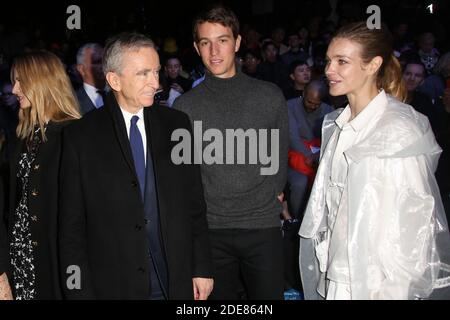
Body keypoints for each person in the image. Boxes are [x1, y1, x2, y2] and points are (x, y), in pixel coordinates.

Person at [299, 22, 450, 300]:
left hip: (376, 283)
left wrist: (394, 291)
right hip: (337, 270)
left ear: (373, 65)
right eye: (329, 61)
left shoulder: (398, 129)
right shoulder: (336, 124)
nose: (329, 70)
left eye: (342, 62)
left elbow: (414, 225)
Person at [58, 32, 213, 300]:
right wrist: (79, 293)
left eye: (156, 71)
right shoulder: (80, 136)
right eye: (144, 74)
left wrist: (201, 267)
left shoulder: (177, 124)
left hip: (174, 277)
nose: (156, 82)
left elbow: (194, 203)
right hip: (114, 284)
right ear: (114, 80)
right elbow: (71, 228)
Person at [173, 6, 288, 300]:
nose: (214, 51)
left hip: (262, 227)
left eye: (222, 40)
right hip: (211, 232)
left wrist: (273, 192)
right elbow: (185, 176)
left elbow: (278, 155)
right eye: (205, 42)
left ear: (237, 43)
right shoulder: (185, 106)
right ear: (196, 48)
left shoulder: (269, 95)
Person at [6, 50, 81, 300]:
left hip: (55, 261)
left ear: (42, 82)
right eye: (14, 81)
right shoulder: (23, 136)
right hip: (21, 260)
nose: (15, 89)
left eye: (21, 81)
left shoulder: (74, 134)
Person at [75, 43, 106, 115]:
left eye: (105, 61)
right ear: (81, 69)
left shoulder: (118, 94)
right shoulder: (73, 103)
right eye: (97, 62)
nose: (103, 66)